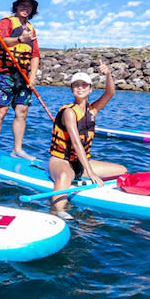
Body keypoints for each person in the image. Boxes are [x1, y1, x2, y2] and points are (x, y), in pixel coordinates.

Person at [48, 61, 126, 221]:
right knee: (64, 176)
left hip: (81, 164)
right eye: (76, 85)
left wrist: (109, 74)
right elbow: (76, 143)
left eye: (84, 85)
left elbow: (110, 93)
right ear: (71, 90)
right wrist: (90, 173)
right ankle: (58, 211)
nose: (80, 87)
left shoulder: (93, 110)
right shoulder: (69, 112)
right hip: (61, 161)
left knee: (122, 170)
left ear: (90, 89)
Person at [0, 0, 41, 165]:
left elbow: (35, 54)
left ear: (32, 9)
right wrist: (19, 39)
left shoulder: (31, 29)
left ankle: (17, 150)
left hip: (23, 75)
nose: (26, 8)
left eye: (29, 5)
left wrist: (32, 75)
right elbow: (0, 41)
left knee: (22, 112)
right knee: (1, 111)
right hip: (5, 73)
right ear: (16, 6)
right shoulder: (6, 22)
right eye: (22, 4)